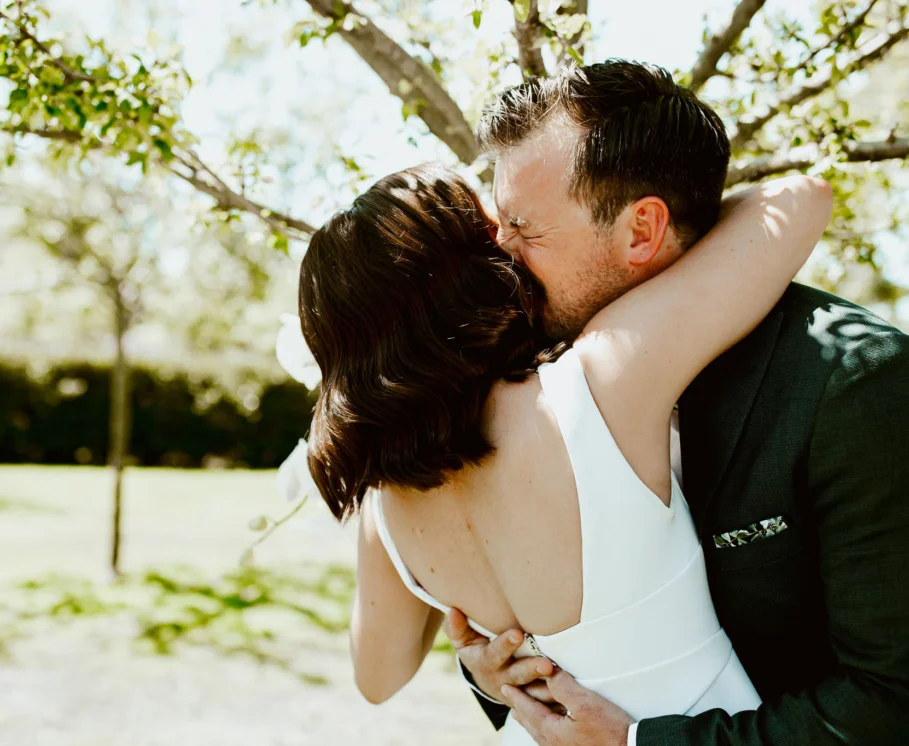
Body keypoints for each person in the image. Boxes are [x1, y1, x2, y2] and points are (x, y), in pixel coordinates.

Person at [447, 61, 909, 746]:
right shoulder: (535, 397)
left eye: (523, 229)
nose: (499, 257)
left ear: (641, 231)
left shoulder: (859, 382)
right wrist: (499, 674)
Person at [297, 139, 831, 744]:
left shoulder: (385, 504)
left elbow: (379, 677)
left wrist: (480, 663)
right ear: (469, 270)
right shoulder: (596, 384)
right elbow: (798, 200)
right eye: (498, 232)